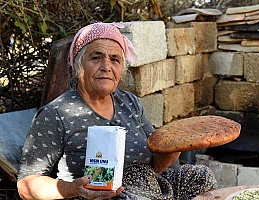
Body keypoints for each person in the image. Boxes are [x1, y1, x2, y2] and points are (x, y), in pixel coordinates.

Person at [17, 22, 218, 200]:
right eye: (96, 57)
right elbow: (26, 185)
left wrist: (174, 147)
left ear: (122, 69)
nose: (106, 66)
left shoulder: (129, 102)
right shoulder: (56, 113)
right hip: (99, 196)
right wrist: (72, 189)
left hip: (149, 186)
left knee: (201, 176)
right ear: (79, 65)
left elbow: (155, 164)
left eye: (115, 59)